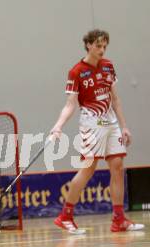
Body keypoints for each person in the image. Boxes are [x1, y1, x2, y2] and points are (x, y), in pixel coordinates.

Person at [51, 29, 144, 234]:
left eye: (104, 46)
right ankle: (65, 216)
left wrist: (124, 126)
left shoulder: (108, 67)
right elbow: (70, 104)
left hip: (111, 123)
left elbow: (116, 99)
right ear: (89, 45)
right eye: (98, 46)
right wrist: (58, 126)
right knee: (88, 168)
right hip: (91, 124)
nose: (102, 50)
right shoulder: (76, 71)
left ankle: (118, 219)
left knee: (118, 166)